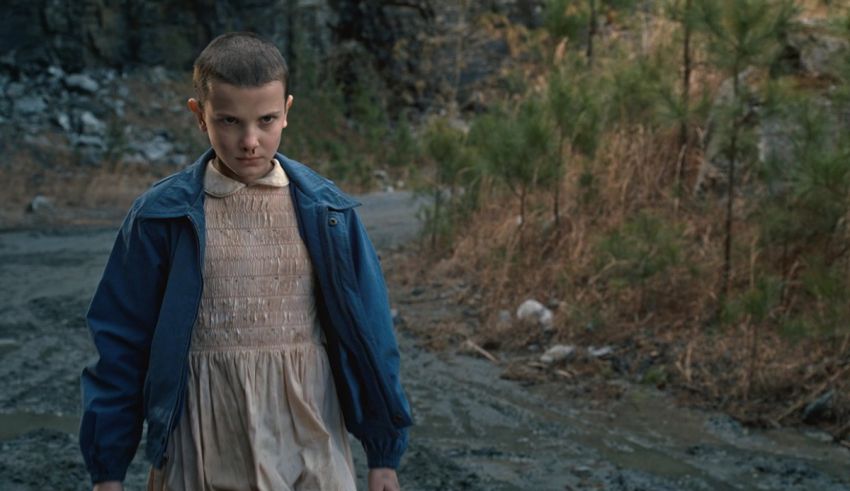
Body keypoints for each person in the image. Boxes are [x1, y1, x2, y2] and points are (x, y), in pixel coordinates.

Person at [79, 32, 412, 491]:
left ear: (287, 112)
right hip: (205, 432)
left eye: (267, 119)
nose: (250, 140)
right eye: (229, 121)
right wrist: (108, 471)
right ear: (199, 116)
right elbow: (120, 344)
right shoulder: (161, 216)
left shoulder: (327, 212)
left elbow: (373, 335)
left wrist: (383, 453)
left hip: (310, 432)